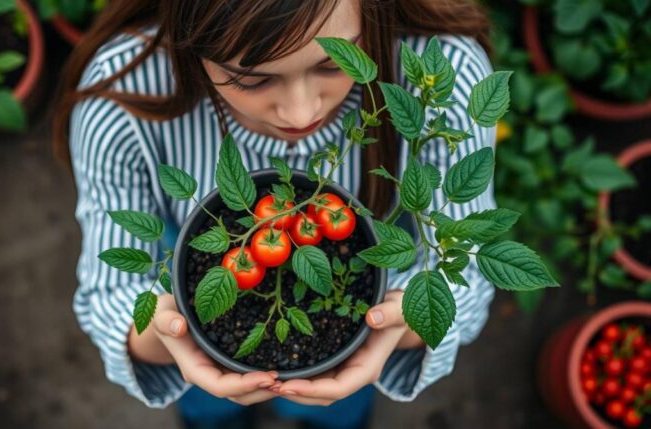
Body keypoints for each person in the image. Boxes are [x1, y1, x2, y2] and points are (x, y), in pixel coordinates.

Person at [53, 1, 497, 428]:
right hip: (194, 330)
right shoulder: (122, 100)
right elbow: (111, 296)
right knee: (209, 411)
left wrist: (403, 325)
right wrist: (170, 336)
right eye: (250, 78)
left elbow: (466, 277)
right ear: (192, 45)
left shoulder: (441, 83)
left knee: (337, 413)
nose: (301, 111)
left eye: (332, 63)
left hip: (364, 336)